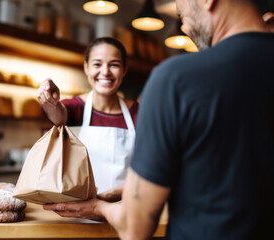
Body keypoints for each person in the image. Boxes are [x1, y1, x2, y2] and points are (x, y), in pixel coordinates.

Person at [44, 0, 274, 239]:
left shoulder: (177, 79)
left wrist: (97, 207)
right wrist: (130, 190)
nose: (177, 12)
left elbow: (135, 228)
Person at [37, 37, 138, 201]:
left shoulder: (138, 112)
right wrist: (49, 99)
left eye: (114, 64)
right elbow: (58, 115)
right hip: (81, 210)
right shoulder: (77, 107)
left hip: (125, 208)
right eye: (97, 64)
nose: (105, 72)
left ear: (124, 69)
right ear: (86, 67)